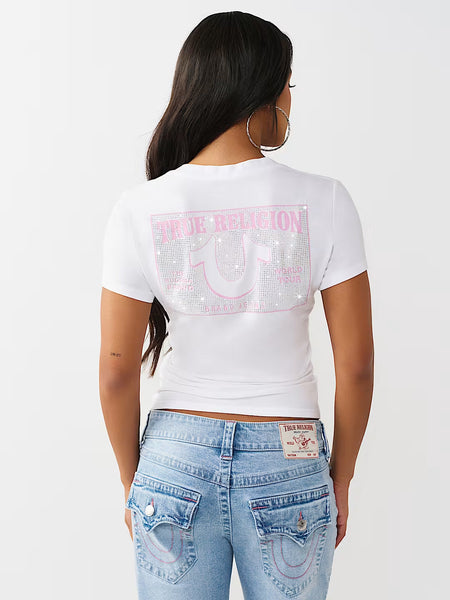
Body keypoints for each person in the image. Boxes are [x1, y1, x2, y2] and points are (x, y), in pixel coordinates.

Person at [99, 11, 374, 600]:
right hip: (289, 457)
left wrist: (133, 480)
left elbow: (116, 370)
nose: (290, 103)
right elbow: (356, 366)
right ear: (260, 93)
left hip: (174, 457)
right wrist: (341, 479)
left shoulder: (138, 209)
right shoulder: (326, 200)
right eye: (288, 87)